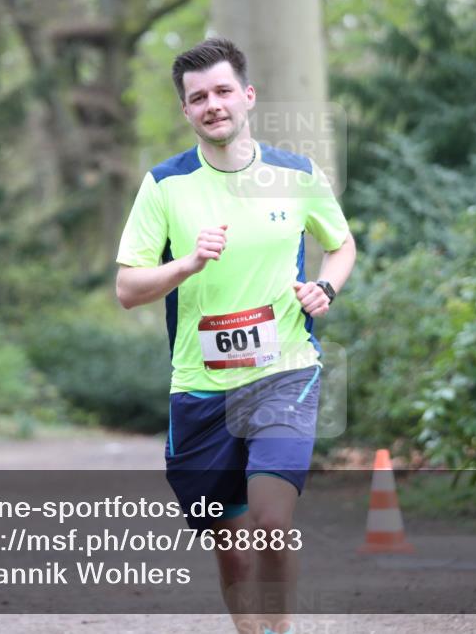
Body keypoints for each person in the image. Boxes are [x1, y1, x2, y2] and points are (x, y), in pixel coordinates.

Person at [115, 37, 356, 634]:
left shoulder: (295, 174)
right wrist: (185, 266)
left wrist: (325, 289)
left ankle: (279, 630)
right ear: (186, 111)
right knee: (232, 544)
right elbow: (127, 287)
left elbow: (341, 243)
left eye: (223, 91)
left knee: (273, 523)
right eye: (199, 98)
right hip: (200, 389)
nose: (213, 104)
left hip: (285, 373)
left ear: (247, 96)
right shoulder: (165, 186)